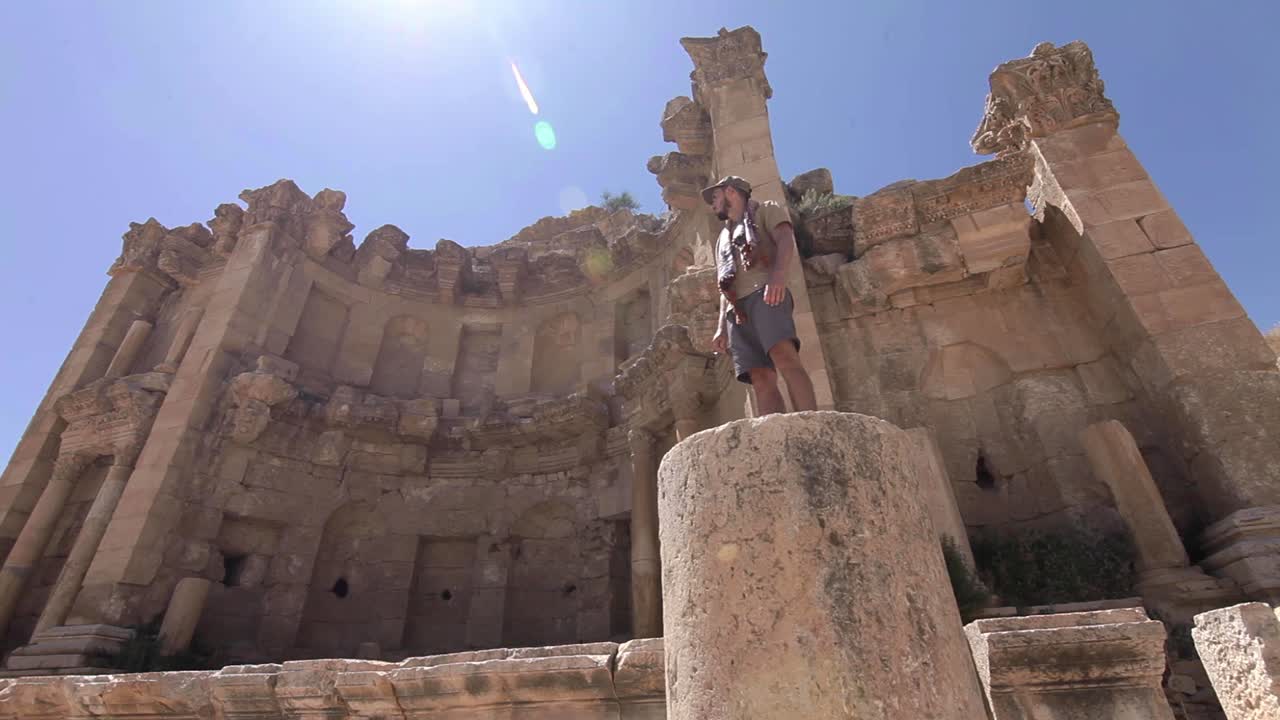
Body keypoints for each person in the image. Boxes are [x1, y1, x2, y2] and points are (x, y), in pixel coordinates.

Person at [705, 175, 817, 414]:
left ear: (731, 192)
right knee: (759, 377)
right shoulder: (722, 239)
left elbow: (786, 239)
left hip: (765, 293)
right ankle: (774, 434)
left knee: (784, 356)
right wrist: (721, 327)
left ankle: (810, 422)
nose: (712, 204)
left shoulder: (766, 210)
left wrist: (777, 277)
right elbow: (725, 284)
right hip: (737, 310)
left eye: (715, 197)